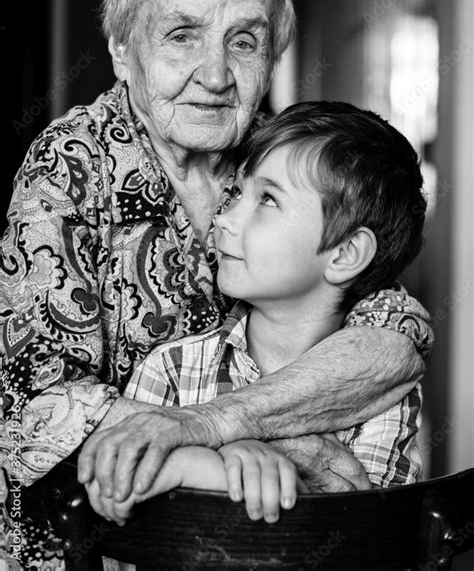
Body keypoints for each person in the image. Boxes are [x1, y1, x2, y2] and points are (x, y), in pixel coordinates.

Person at [0, 0, 432, 569]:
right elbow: (35, 411)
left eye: (244, 42)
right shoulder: (69, 167)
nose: (216, 74)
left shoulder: (280, 156)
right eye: (182, 34)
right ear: (121, 47)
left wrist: (211, 422)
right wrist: (283, 446)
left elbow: (392, 339)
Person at [84, 100, 427, 528]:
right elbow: (117, 490)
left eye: (267, 199)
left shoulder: (382, 397)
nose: (224, 218)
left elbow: (367, 535)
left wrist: (209, 463)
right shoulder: (171, 368)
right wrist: (228, 462)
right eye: (236, 193)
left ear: (345, 253)